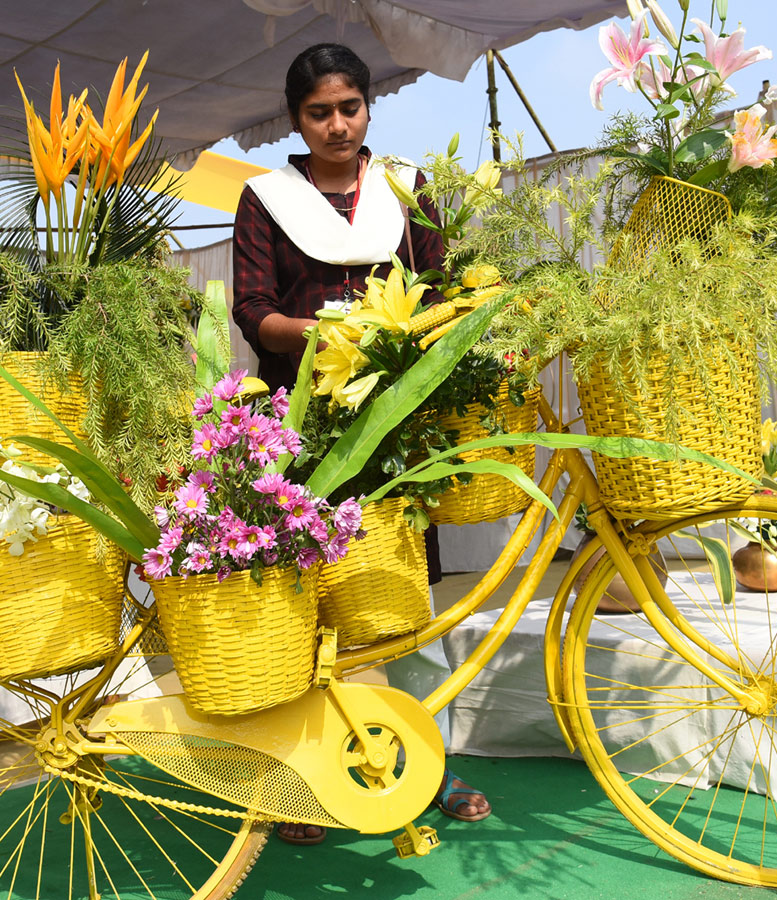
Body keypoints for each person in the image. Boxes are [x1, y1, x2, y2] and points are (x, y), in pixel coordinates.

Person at [231, 43, 491, 845]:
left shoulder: (407, 189)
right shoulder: (268, 198)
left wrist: (403, 343)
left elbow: (446, 294)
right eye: (320, 112)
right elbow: (253, 309)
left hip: (399, 424)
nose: (337, 125)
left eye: (350, 108)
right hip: (303, 428)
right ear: (296, 120)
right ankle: (301, 779)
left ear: (369, 108)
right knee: (308, 602)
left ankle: (429, 764)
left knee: (400, 594)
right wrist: (331, 335)